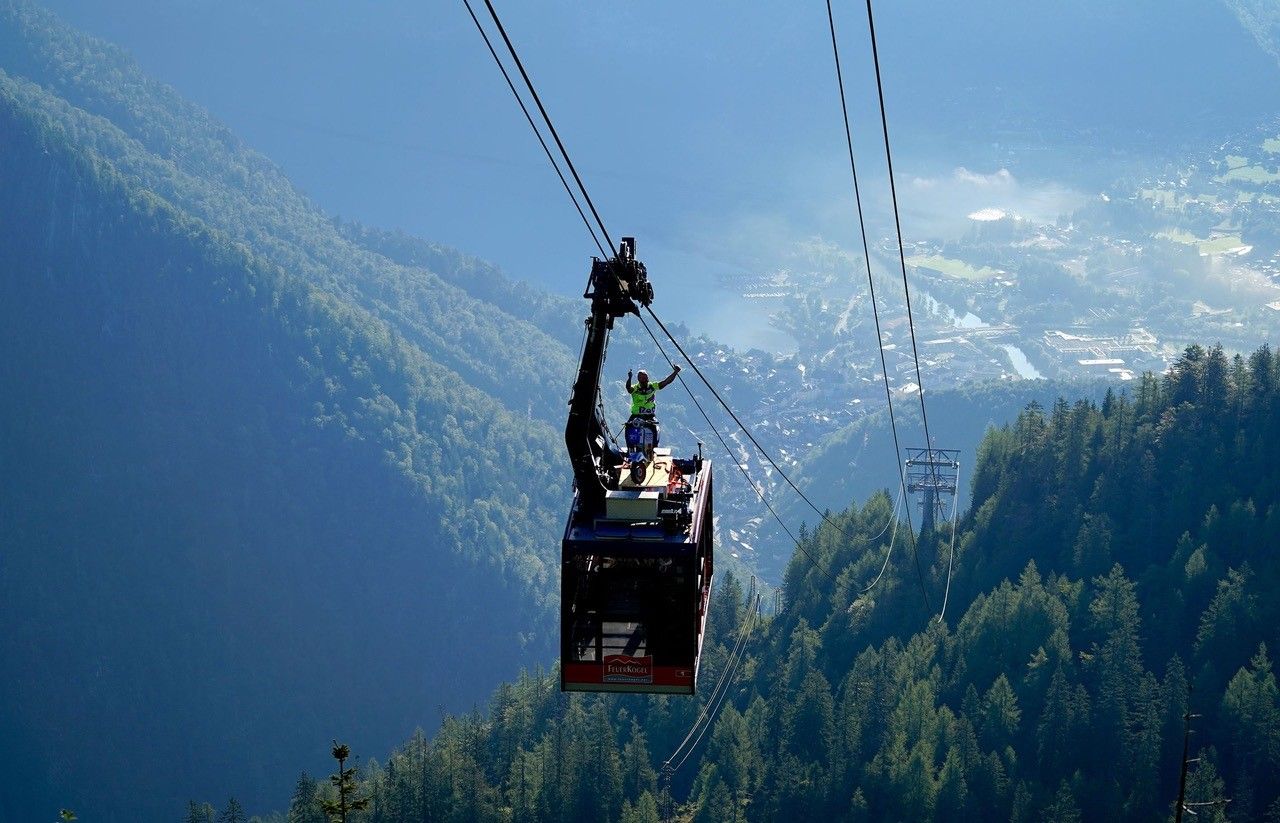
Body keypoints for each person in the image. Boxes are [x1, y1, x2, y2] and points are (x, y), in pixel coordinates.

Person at [625, 365, 680, 448]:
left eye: (645, 378)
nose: (644, 380)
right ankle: (630, 447)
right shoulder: (635, 388)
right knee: (628, 427)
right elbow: (628, 388)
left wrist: (675, 372)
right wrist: (629, 378)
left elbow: (666, 382)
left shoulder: (652, 386)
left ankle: (654, 448)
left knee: (654, 429)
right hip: (636, 415)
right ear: (638, 380)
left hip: (649, 415)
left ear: (648, 378)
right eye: (642, 378)